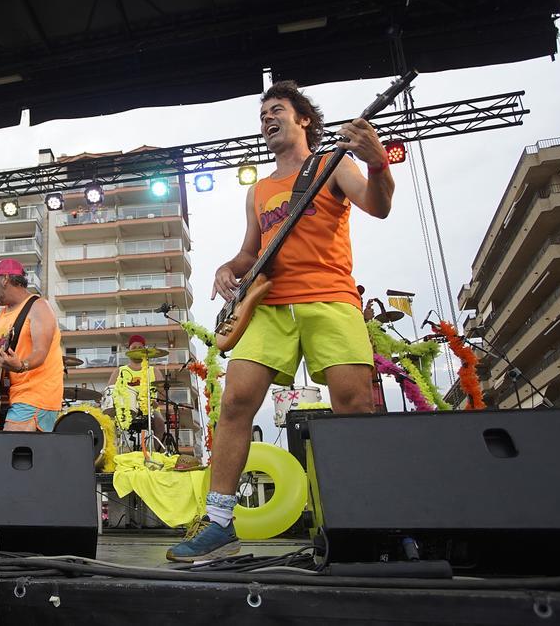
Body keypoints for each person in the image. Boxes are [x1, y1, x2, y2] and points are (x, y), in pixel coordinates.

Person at [168, 80, 394, 562]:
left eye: (277, 110)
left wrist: (377, 162)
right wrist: (228, 268)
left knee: (353, 405)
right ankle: (221, 519)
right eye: (262, 115)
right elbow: (251, 252)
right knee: (235, 403)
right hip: (269, 306)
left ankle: (366, 516)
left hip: (330, 297)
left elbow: (379, 206)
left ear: (304, 119)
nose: (267, 119)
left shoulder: (335, 164)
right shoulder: (260, 190)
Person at [0, 259, 64, 431]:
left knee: (11, 451)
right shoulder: (3, 315)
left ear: (6, 279)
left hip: (36, 394)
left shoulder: (39, 306)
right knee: (17, 454)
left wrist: (21, 365)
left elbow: (41, 351)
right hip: (13, 397)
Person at [105, 335, 168, 439]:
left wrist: (156, 401)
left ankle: (157, 452)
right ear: (129, 351)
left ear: (145, 351)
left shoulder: (154, 371)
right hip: (124, 409)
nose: (137, 350)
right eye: (134, 348)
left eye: (140, 348)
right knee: (108, 423)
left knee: (160, 422)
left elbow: (163, 394)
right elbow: (109, 392)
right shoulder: (119, 371)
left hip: (150, 409)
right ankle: (114, 453)